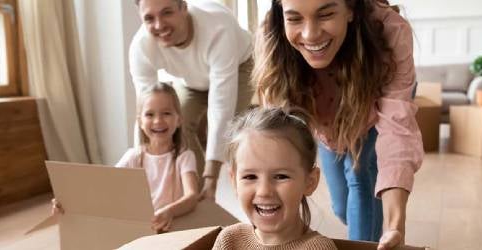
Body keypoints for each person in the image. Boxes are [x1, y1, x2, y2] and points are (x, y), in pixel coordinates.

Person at [253, 0, 423, 249]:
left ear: (351, 9)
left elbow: (397, 130)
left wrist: (395, 225)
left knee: (360, 176)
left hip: (372, 114)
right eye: (295, 19)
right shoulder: (271, 33)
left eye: (326, 14)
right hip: (324, 125)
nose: (310, 34)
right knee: (343, 207)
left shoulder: (390, 30)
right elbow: (277, 134)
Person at [129, 0, 253, 200]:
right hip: (189, 79)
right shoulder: (140, 47)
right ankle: (192, 192)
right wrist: (140, 166)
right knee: (177, 122)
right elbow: (146, 112)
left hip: (239, 65)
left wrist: (211, 177)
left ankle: (217, 190)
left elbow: (221, 108)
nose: (159, 25)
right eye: (149, 18)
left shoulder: (218, 27)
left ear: (184, 8)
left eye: (167, 13)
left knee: (232, 131)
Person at [53, 82, 200, 233]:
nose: (158, 121)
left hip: (171, 231)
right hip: (139, 230)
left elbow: (192, 196)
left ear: (179, 119)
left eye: (166, 113)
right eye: (150, 114)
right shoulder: (133, 157)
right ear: (140, 122)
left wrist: (169, 212)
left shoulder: (184, 157)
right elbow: (102, 185)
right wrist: (69, 202)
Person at [212, 107, 335, 249]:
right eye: (250, 176)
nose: (264, 191)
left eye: (281, 176)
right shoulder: (229, 240)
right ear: (234, 181)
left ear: (310, 182)